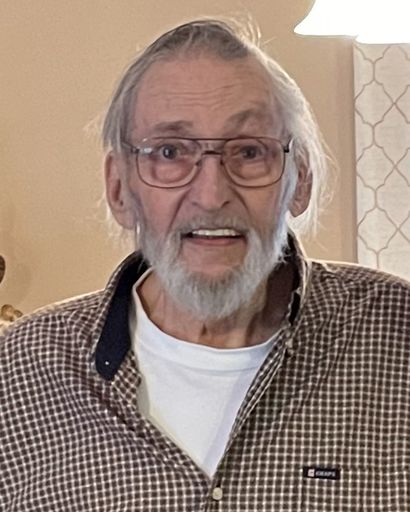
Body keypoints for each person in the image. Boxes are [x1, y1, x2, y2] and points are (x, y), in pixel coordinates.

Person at [1, 19, 409, 512]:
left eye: (249, 151)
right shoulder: (18, 373)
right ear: (119, 188)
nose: (212, 195)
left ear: (299, 179)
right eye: (170, 152)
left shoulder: (398, 338)